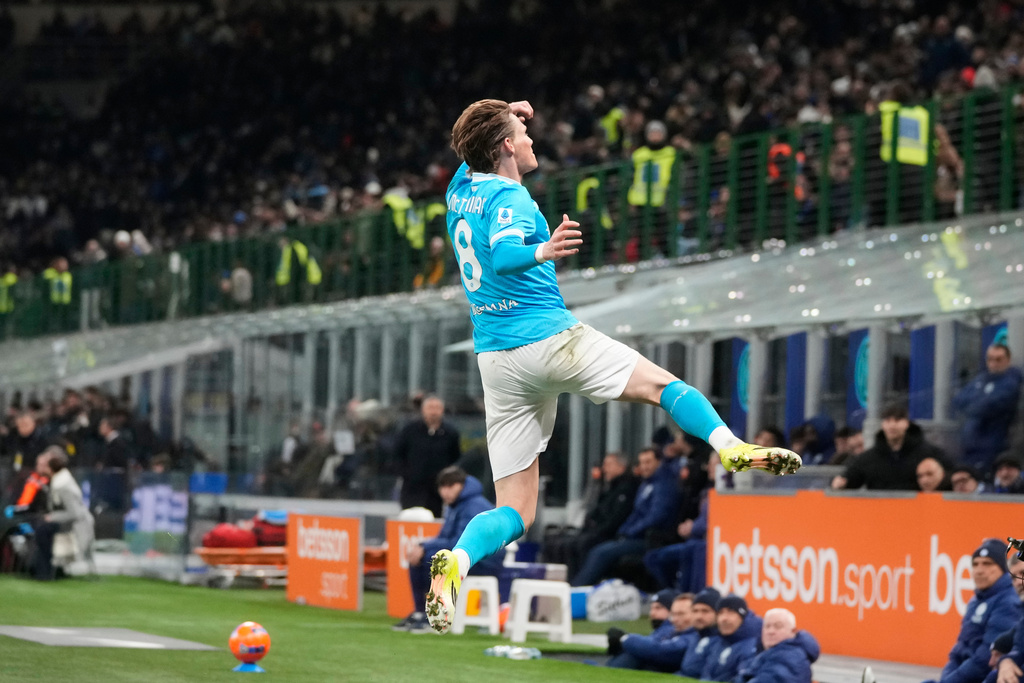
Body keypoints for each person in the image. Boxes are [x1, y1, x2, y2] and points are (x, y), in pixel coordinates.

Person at [425, 98, 801, 634]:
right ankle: (732, 448)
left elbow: (470, 146)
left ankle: (457, 561)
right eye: (522, 133)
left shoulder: (461, 190)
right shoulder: (509, 194)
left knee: (516, 511)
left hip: (496, 361)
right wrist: (544, 250)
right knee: (664, 386)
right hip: (547, 339)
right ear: (505, 147)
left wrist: (505, 109)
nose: (532, 140)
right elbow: (506, 254)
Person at [392, 466, 503, 634]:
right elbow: (444, 537)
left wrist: (425, 547)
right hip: (469, 556)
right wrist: (422, 547)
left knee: (431, 558)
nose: (445, 491)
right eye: (442, 487)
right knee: (419, 556)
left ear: (462, 485)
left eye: (450, 486)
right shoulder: (455, 505)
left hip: (485, 559)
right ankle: (420, 612)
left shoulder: (473, 506)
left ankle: (434, 616)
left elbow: (461, 542)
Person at [925, 539, 1020, 683]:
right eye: (975, 564)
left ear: (1003, 568)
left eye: (987, 564)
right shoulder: (977, 599)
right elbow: (959, 651)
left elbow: (985, 659)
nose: (980, 570)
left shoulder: (1008, 601)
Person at [544, 451, 637, 577]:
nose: (604, 469)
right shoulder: (609, 487)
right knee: (557, 542)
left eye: (608, 465)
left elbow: (615, 519)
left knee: (580, 544)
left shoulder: (626, 489)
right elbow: (596, 510)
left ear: (621, 467)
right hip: (596, 531)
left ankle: (576, 583)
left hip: (608, 534)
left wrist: (595, 530)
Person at [832, 403, 947, 490]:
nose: (892, 425)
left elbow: (949, 475)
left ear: (907, 423)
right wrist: (842, 482)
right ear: (882, 424)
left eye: (897, 420)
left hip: (920, 515)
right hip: (880, 516)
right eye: (888, 420)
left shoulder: (929, 453)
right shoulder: (869, 458)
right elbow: (850, 478)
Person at [952, 343, 1023, 476]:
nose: (993, 363)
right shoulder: (981, 379)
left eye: (998, 359)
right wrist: (979, 400)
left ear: (1007, 360)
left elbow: (986, 407)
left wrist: (976, 401)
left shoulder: (1011, 383)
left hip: (993, 447)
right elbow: (958, 400)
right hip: (969, 445)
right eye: (990, 359)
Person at [31, 446, 94, 580]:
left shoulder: (63, 485)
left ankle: (44, 572)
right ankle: (41, 569)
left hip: (75, 527)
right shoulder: (57, 480)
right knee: (40, 526)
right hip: (68, 523)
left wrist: (51, 517)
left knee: (42, 529)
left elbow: (74, 513)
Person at [394, 395, 461, 518]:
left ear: (442, 410)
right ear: (423, 410)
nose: (433, 412)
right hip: (412, 488)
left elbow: (455, 457)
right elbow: (397, 455)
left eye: (437, 408)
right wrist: (406, 473)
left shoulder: (450, 433)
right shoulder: (410, 430)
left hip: (437, 490)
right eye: (430, 408)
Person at [606, 590, 693, 672]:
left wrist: (624, 638)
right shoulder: (674, 631)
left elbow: (658, 650)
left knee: (634, 656)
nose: (652, 613)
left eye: (658, 608)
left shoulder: (684, 633)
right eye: (674, 614)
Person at [735, 607, 820, 683]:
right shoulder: (767, 654)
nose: (770, 631)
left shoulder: (790, 656)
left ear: (793, 631)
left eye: (778, 626)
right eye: (767, 626)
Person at [701, 595, 763, 683]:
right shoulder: (719, 641)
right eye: (720, 613)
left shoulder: (753, 646)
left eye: (731, 612)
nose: (724, 618)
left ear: (742, 617)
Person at [676, 588, 722, 678]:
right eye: (695, 611)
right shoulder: (696, 635)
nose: (699, 616)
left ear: (717, 614)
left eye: (705, 611)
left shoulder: (720, 641)